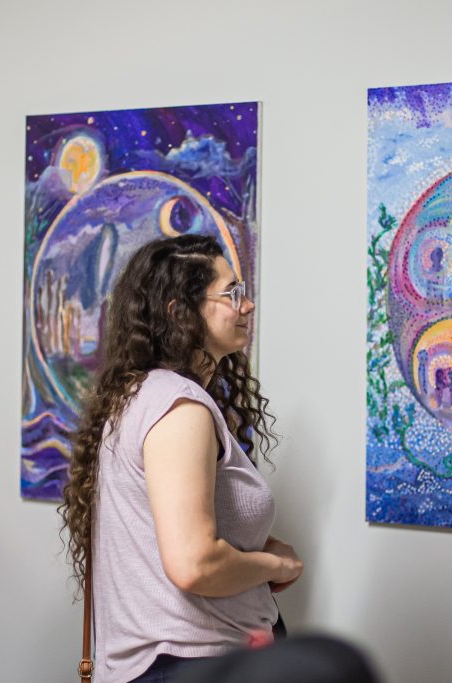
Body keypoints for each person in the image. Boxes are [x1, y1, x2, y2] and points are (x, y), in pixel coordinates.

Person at [59, 235, 303, 682]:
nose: (247, 305)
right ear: (179, 312)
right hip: (190, 666)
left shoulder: (144, 396)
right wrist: (277, 565)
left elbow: (172, 537)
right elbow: (195, 564)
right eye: (232, 293)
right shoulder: (179, 407)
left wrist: (256, 549)